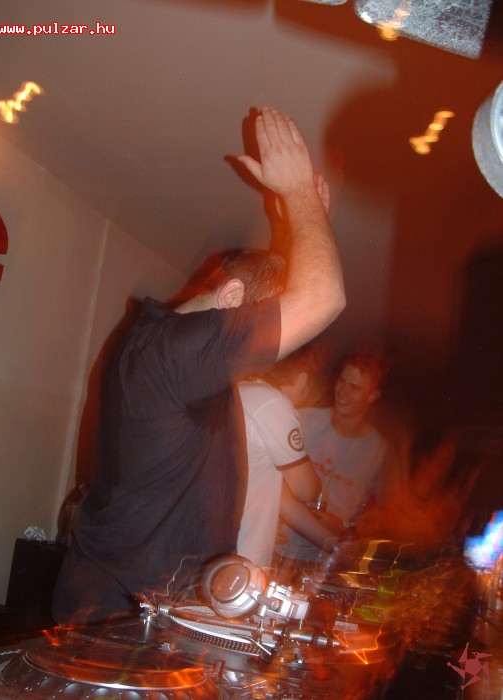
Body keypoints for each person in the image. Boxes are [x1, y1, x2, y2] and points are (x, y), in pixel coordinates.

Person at [52, 107, 346, 625]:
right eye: (253, 322)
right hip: (119, 618)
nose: (261, 343)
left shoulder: (176, 355)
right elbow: (324, 299)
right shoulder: (173, 349)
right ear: (231, 298)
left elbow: (270, 293)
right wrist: (300, 192)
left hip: (139, 611)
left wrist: (292, 230)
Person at [275, 352, 388, 568]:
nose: (342, 391)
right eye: (341, 381)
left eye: (354, 387)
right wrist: (266, 519)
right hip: (279, 549)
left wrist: (346, 526)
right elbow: (263, 473)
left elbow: (380, 516)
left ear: (372, 396)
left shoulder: (377, 449)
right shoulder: (303, 419)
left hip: (324, 562)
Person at [236, 351, 338, 569]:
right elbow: (306, 491)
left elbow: (284, 500)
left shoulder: (243, 390)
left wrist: (337, 547)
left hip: (229, 550)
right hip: (241, 555)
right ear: (302, 379)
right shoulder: (272, 402)